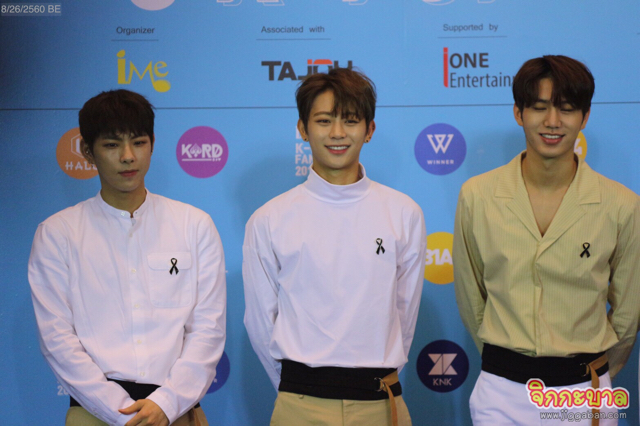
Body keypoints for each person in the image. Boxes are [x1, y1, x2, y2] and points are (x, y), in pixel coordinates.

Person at [453, 55, 640, 425]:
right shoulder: (477, 195)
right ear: (518, 113)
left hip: (584, 392)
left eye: (566, 109)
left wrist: (594, 372)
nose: (552, 122)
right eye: (539, 108)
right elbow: (470, 295)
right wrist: (504, 361)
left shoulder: (621, 204)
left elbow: (628, 312)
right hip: (500, 391)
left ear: (584, 117)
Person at [28, 89, 226, 426]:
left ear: (152, 144)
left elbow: (208, 329)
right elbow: (57, 340)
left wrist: (166, 404)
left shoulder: (194, 225)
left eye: (138, 142)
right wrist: (121, 412)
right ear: (87, 151)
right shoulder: (58, 234)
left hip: (177, 411)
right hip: (94, 414)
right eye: (111, 145)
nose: (128, 156)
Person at [243, 68, 426, 426]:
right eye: (324, 120)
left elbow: (404, 315)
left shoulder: (404, 213)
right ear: (302, 128)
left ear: (369, 129)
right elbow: (261, 323)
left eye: (351, 120)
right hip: (299, 405)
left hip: (381, 402)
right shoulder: (269, 218)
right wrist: (296, 390)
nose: (338, 133)